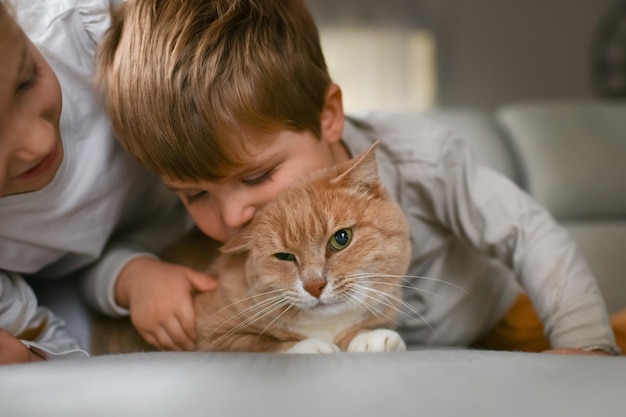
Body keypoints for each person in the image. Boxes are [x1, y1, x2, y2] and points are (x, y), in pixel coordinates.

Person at [96, 0, 624, 355]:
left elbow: (526, 230)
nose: (232, 215)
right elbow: (122, 249)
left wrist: (584, 349)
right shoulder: (216, 201)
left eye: (259, 176)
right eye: (195, 195)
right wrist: (133, 276)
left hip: (491, 317)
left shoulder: (420, 157)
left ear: (328, 117)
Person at [0, 0, 217, 365]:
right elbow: (56, 351)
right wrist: (27, 361)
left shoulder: (84, 23)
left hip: (209, 183)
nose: (40, 141)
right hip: (100, 270)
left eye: (27, 80)